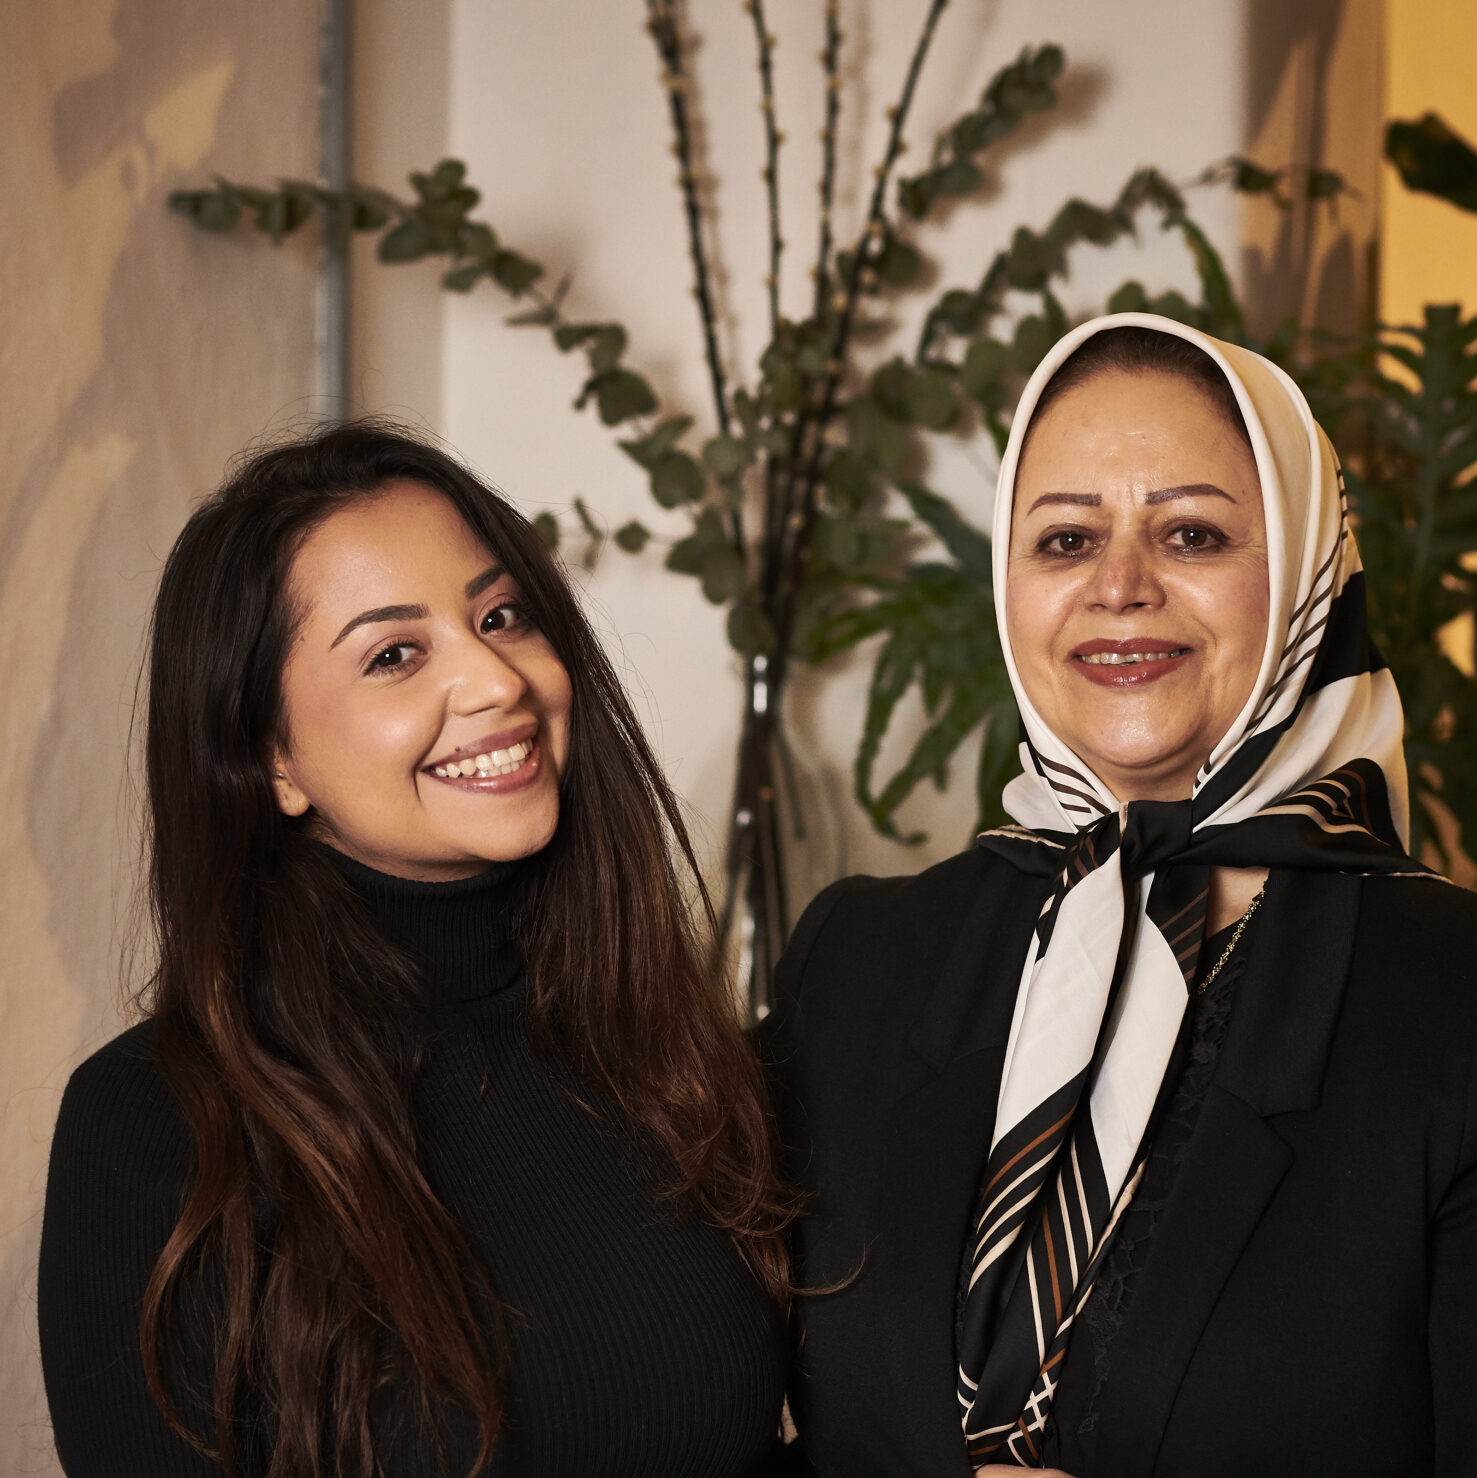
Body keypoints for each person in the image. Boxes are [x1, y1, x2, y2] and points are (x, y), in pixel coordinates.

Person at [766, 314, 1477, 1477]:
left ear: (1303, 569)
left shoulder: (1450, 994)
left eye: (1191, 532)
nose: (1119, 587)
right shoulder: (858, 959)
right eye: (1063, 541)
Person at [39, 422, 792, 1478]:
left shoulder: (659, 1051)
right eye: (396, 653)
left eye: (501, 614)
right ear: (270, 758)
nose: (496, 677)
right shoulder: (158, 1126)